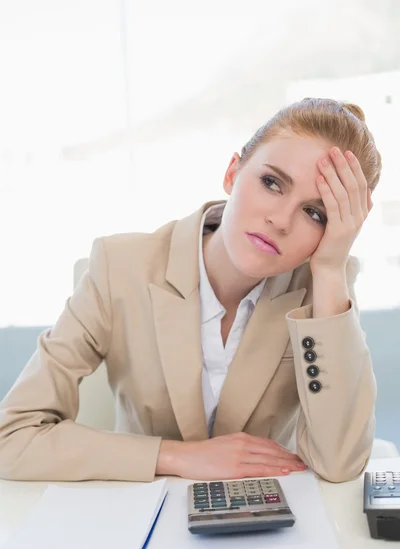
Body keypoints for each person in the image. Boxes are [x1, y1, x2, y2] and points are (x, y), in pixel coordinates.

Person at [0, 97, 381, 484]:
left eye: (314, 213)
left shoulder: (322, 286)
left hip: (265, 527)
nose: (280, 221)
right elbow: (12, 438)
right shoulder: (119, 267)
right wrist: (177, 457)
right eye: (271, 183)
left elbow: (339, 465)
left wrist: (331, 269)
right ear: (233, 172)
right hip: (137, 518)